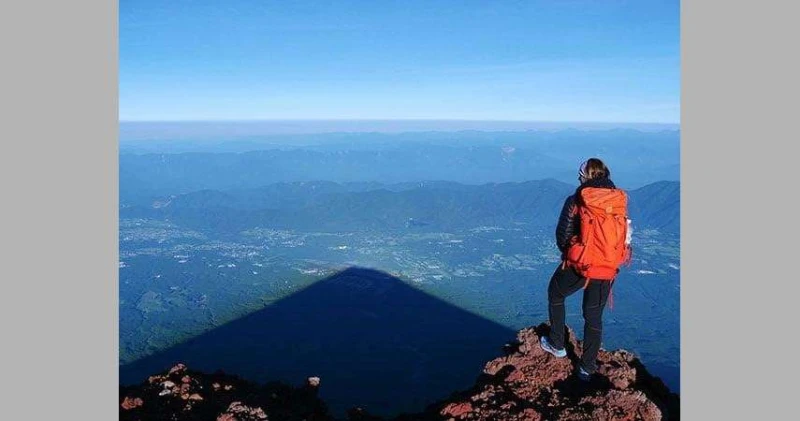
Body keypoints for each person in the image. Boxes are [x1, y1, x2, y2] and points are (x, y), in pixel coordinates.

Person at [539, 157, 629, 382]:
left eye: (580, 174)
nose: (578, 177)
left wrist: (571, 253)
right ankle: (587, 368)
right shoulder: (617, 200)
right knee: (593, 317)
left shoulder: (577, 199)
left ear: (585, 175)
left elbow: (563, 234)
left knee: (555, 293)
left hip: (581, 264)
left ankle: (557, 344)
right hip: (607, 267)